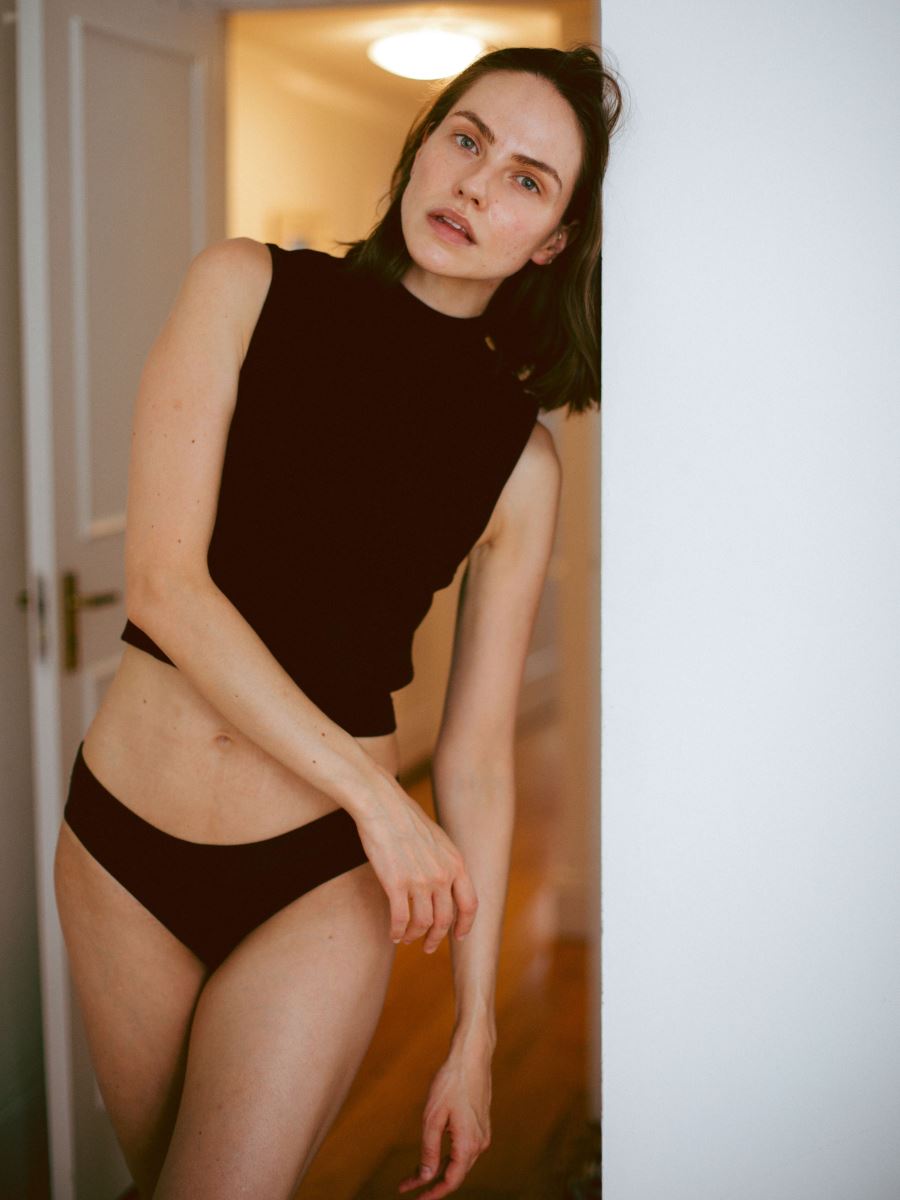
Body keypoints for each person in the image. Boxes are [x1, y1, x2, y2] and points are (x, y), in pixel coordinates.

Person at [53, 43, 624, 1200]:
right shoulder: (242, 286)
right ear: (424, 146)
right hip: (122, 846)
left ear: (553, 241)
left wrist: (474, 1033)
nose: (476, 184)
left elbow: (476, 760)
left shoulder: (521, 464)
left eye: (526, 179)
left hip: (316, 878)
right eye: (466, 140)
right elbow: (165, 589)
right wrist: (381, 800)